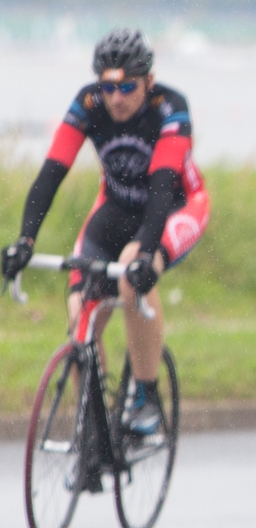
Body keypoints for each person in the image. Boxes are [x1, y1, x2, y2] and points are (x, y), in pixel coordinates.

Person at [2, 28, 210, 438]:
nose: (116, 98)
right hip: (115, 208)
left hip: (175, 207)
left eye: (128, 86)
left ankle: (147, 398)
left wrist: (147, 253)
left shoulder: (170, 107)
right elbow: (51, 174)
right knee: (80, 309)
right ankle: (93, 427)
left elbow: (162, 187)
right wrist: (25, 240)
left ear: (149, 82)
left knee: (133, 274)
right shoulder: (88, 103)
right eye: (108, 86)